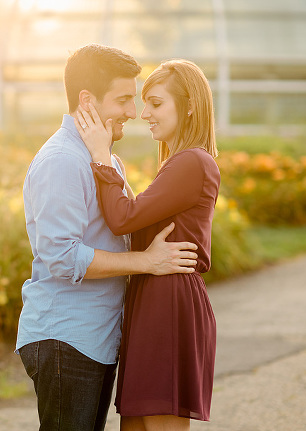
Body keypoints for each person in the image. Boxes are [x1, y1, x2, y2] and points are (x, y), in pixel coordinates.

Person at [16, 45, 200, 431]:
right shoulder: (62, 161)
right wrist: (148, 262)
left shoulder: (104, 159)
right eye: (123, 100)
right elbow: (63, 257)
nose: (133, 113)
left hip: (92, 339)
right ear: (87, 100)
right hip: (66, 338)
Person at [74, 59, 219, 431]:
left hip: (168, 303)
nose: (143, 114)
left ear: (189, 106)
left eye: (156, 103)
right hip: (152, 298)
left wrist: (100, 157)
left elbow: (123, 217)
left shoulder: (192, 162)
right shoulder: (179, 163)